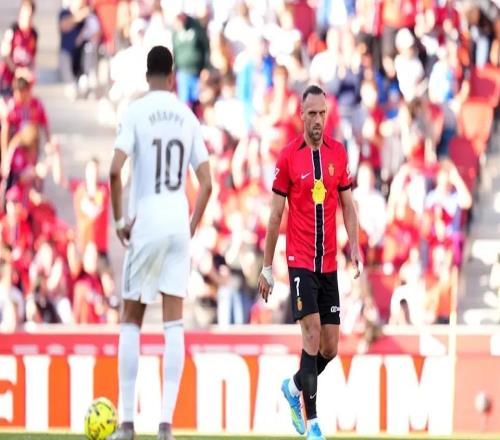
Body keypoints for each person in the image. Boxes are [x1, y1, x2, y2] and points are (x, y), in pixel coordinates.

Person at [108, 45, 212, 440]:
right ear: (171, 77)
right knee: (174, 323)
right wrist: (192, 224)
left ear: (147, 75)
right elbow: (207, 182)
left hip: (147, 219)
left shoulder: (135, 112)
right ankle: (166, 424)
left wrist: (120, 221)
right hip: (177, 220)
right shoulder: (186, 116)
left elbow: (114, 171)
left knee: (131, 319)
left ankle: (127, 424)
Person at [258, 85, 362, 440]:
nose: (318, 120)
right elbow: (275, 215)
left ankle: (292, 386)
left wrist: (355, 246)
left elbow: (348, 205)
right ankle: (313, 423)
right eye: (312, 113)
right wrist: (267, 268)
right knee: (312, 333)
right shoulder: (288, 157)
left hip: (328, 262)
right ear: (301, 115)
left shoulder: (338, 153)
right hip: (300, 259)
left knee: (330, 347)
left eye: (322, 113)